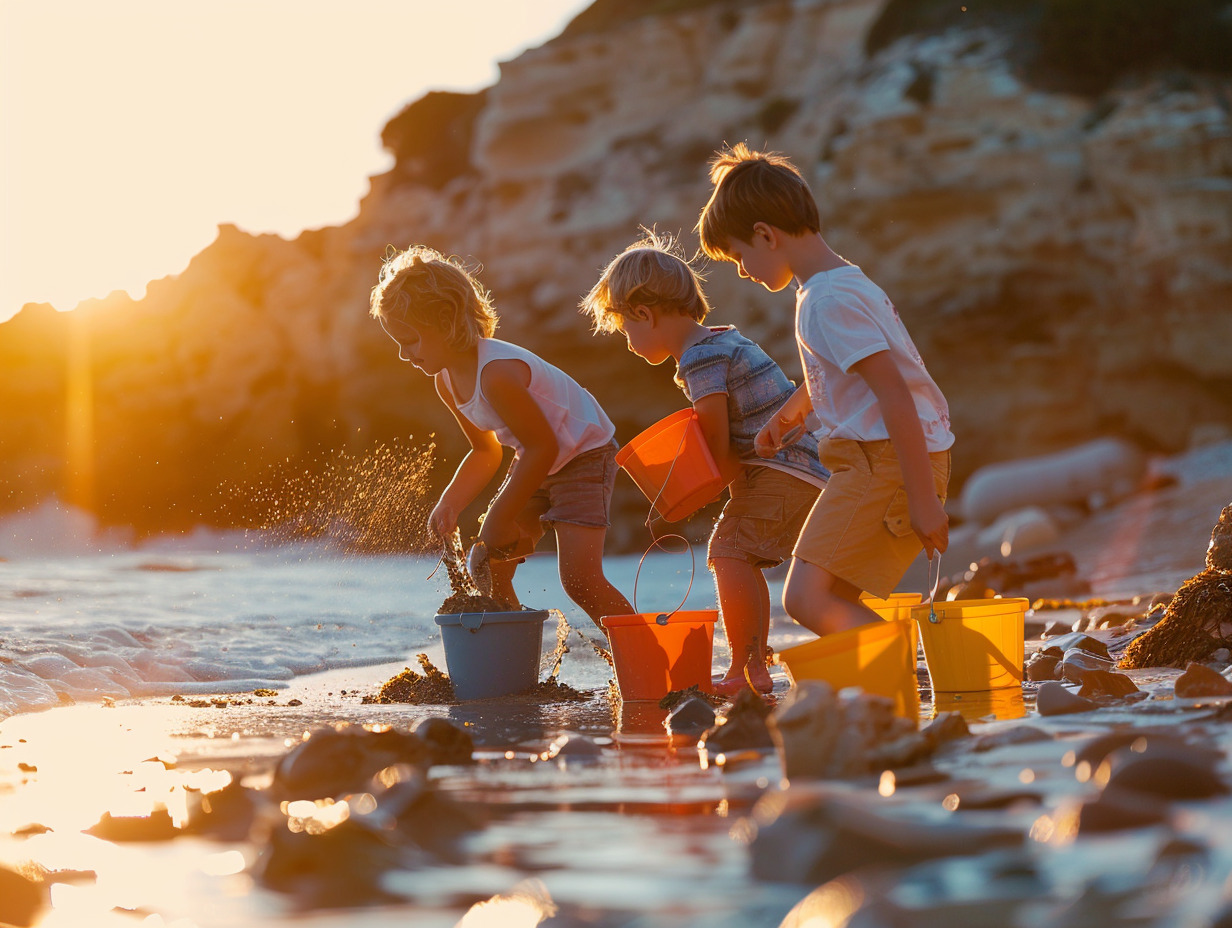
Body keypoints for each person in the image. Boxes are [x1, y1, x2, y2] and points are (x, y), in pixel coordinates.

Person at [697, 143, 954, 638]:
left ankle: (904, 681)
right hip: (885, 461)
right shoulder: (840, 284)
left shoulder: (825, 301)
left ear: (765, 235)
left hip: (885, 464)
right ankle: (891, 692)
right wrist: (792, 416)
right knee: (832, 598)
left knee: (805, 599)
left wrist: (923, 500)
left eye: (738, 257)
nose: (743, 271)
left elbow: (893, 394)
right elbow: (844, 374)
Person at [581, 231, 829, 694]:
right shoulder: (723, 340)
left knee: (728, 551)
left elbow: (717, 445)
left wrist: (680, 502)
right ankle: (752, 668)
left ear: (643, 313)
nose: (629, 343)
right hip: (797, 466)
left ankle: (744, 669)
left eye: (626, 331)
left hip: (787, 467)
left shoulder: (700, 359)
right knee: (742, 555)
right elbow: (736, 443)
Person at [370, 245, 633, 630]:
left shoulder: (496, 373)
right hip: (536, 457)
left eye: (409, 340)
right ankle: (513, 651)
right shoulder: (447, 381)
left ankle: (653, 663)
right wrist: (451, 502)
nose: (402, 354)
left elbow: (546, 446)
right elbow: (484, 450)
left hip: (583, 455)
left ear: (444, 322)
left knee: (579, 580)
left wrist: (498, 515)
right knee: (487, 563)